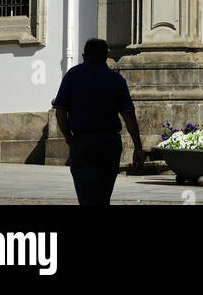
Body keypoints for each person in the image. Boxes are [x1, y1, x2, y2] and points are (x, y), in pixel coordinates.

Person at [53, 38, 144, 205]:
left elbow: (60, 112)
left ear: (84, 55)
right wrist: (138, 147)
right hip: (109, 144)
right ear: (106, 56)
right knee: (103, 197)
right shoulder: (116, 80)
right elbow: (129, 115)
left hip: (82, 142)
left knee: (86, 198)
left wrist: (70, 139)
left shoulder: (73, 76)